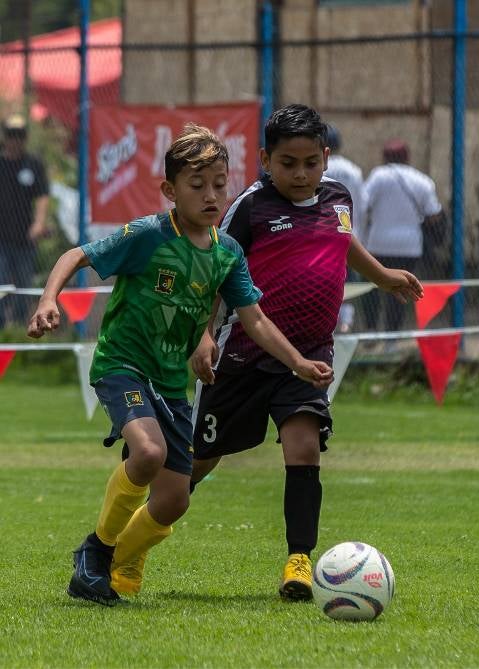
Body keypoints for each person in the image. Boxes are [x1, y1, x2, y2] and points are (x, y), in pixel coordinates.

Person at [26, 124, 333, 606]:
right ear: (170, 191)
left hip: (172, 385)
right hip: (123, 365)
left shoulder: (226, 253)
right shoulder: (148, 235)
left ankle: (111, 562)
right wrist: (49, 300)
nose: (211, 196)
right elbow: (75, 255)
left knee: (174, 500)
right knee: (147, 453)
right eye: (197, 185)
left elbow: (254, 319)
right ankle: (95, 553)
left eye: (219, 184)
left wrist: (298, 363)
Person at [188, 105, 423, 602]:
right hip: (243, 355)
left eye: (311, 163)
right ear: (265, 160)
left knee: (304, 447)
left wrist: (382, 276)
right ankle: (138, 525)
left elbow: (343, 240)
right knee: (199, 460)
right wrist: (204, 334)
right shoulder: (250, 208)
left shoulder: (337, 198)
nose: (300, 174)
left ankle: (299, 560)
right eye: (288, 163)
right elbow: (216, 270)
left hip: (309, 355)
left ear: (326, 157)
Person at [360, 139, 442, 333]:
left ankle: (371, 329)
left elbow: (364, 203)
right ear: (407, 158)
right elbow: (433, 214)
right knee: (400, 291)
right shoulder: (422, 180)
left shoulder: (378, 176)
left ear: (385, 157)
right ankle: (392, 335)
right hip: (409, 246)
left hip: (378, 243)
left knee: (371, 287)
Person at [0, 114, 50, 328]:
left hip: (25, 239)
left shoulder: (33, 164)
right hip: (1, 238)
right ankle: (2, 330)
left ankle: (20, 329)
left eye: (19, 135)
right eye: (12, 135)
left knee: (23, 286)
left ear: (25, 138)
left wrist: (39, 223)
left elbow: (42, 196)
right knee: (1, 284)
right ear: (5, 137)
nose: (15, 140)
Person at [323, 124, 367, 333]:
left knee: (325, 282)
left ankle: (328, 323)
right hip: (348, 233)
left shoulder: (320, 168)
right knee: (347, 281)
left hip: (322, 234)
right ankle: (346, 323)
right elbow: (361, 205)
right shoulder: (353, 170)